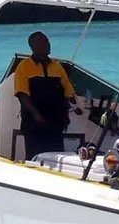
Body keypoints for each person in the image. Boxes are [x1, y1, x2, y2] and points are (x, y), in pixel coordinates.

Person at [13, 31, 77, 159]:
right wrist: (36, 115)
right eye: (44, 42)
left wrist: (68, 110)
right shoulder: (24, 66)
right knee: (35, 156)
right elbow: (22, 94)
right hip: (34, 122)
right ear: (34, 46)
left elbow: (68, 91)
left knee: (57, 156)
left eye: (48, 41)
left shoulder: (57, 66)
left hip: (55, 121)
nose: (48, 44)